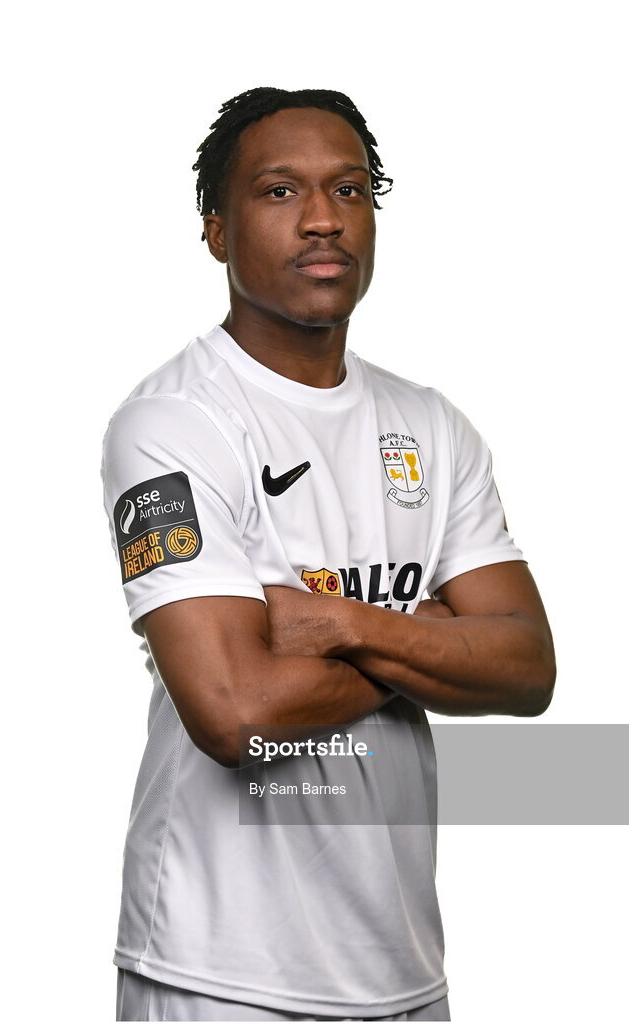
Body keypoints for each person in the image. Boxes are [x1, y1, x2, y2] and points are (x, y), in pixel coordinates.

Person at [101, 87, 556, 1022]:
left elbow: (526, 667)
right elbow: (233, 716)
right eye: (279, 192)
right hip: (217, 968)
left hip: (400, 968)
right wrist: (428, 637)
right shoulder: (170, 425)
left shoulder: (431, 427)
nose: (321, 220)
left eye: (348, 191)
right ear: (216, 232)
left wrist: (341, 626)